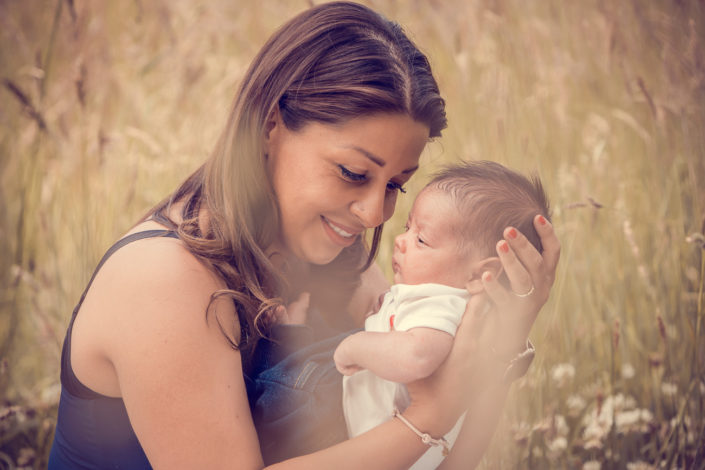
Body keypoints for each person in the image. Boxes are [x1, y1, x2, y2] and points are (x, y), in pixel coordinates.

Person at [48, 2, 560, 469]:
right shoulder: (163, 280)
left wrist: (499, 345)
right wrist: (431, 416)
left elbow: (440, 460)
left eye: (396, 186)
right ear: (271, 124)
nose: (372, 214)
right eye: (353, 173)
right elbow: (428, 424)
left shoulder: (335, 249)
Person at [255, 161, 550, 469]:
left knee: (279, 390)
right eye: (409, 228)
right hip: (377, 427)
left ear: (481, 274)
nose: (401, 240)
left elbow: (418, 354)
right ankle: (291, 335)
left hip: (356, 425)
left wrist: (355, 346)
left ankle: (288, 337)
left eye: (421, 240)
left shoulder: (442, 304)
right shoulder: (442, 298)